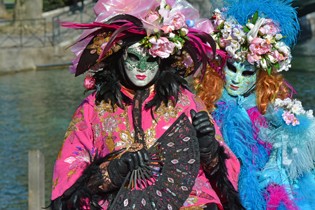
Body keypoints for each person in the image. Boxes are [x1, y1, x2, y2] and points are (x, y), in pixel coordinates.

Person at [50, 0, 243, 209]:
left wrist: (209, 150)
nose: (142, 67)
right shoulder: (93, 108)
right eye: (133, 57)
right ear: (118, 56)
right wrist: (111, 172)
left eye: (151, 59)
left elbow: (225, 176)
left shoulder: (185, 102)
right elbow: (68, 176)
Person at [196, 0, 315, 209]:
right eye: (232, 69)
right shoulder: (206, 105)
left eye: (247, 73)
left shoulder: (271, 111)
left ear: (259, 76)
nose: (236, 80)